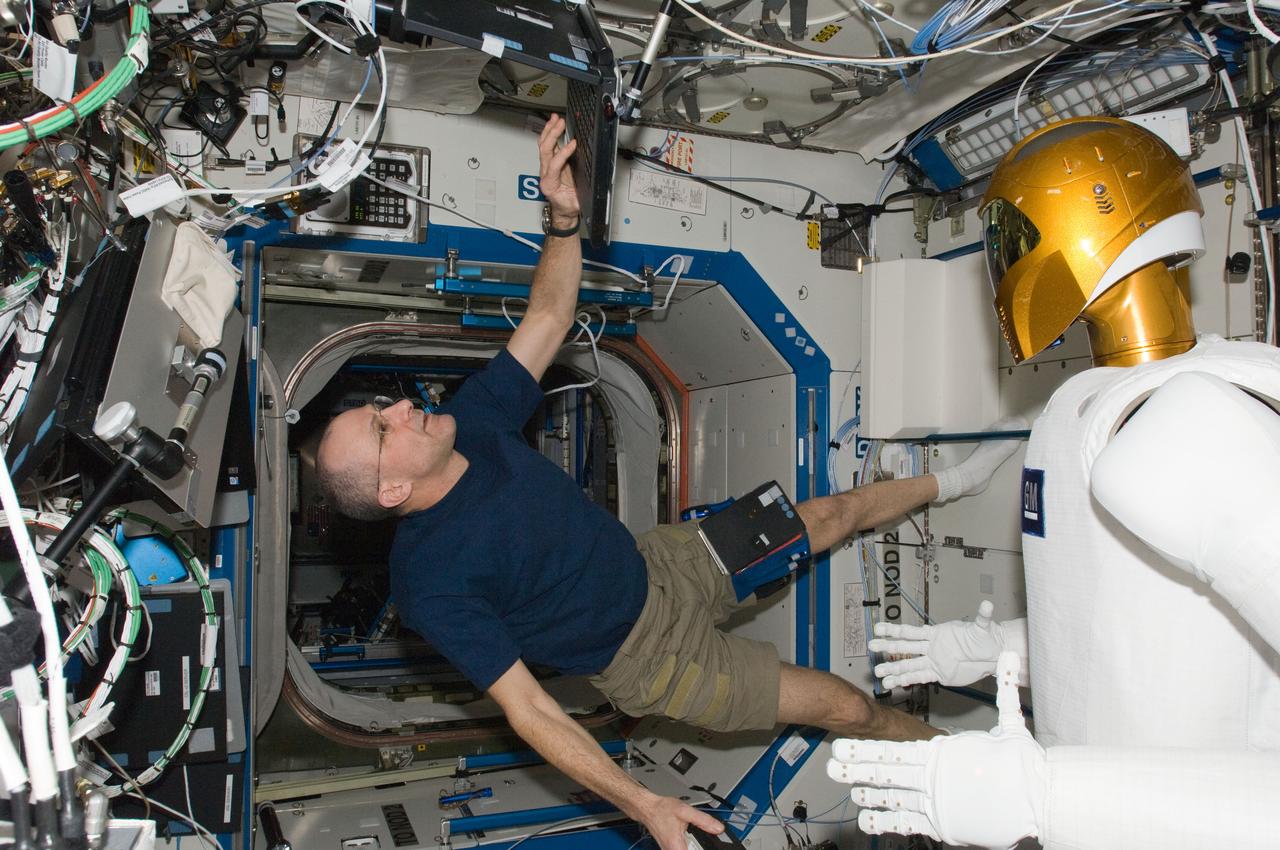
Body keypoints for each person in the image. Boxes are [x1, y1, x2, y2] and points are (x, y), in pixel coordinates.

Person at [314, 114, 1023, 850]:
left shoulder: (477, 418)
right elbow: (531, 711)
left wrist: (563, 219)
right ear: (393, 490)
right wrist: (641, 803)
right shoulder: (430, 580)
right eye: (382, 428)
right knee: (845, 707)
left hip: (665, 562)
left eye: (379, 407)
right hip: (653, 664)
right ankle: (976, 772)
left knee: (833, 512)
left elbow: (552, 313)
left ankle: (957, 481)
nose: (400, 407)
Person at [827, 118, 1280, 849]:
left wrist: (1051, 800)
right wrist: (988, 650)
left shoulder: (1199, 425)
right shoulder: (1079, 409)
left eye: (1016, 238)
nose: (1005, 265)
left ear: (1096, 220)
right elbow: (1125, 641)